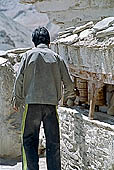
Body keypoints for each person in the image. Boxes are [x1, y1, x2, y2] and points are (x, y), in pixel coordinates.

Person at [12, 27, 76, 170]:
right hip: (51, 106)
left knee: (29, 141)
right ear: (49, 41)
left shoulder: (27, 56)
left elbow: (19, 79)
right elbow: (69, 83)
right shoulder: (56, 58)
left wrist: (16, 99)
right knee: (53, 143)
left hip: (31, 105)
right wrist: (67, 98)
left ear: (34, 41)